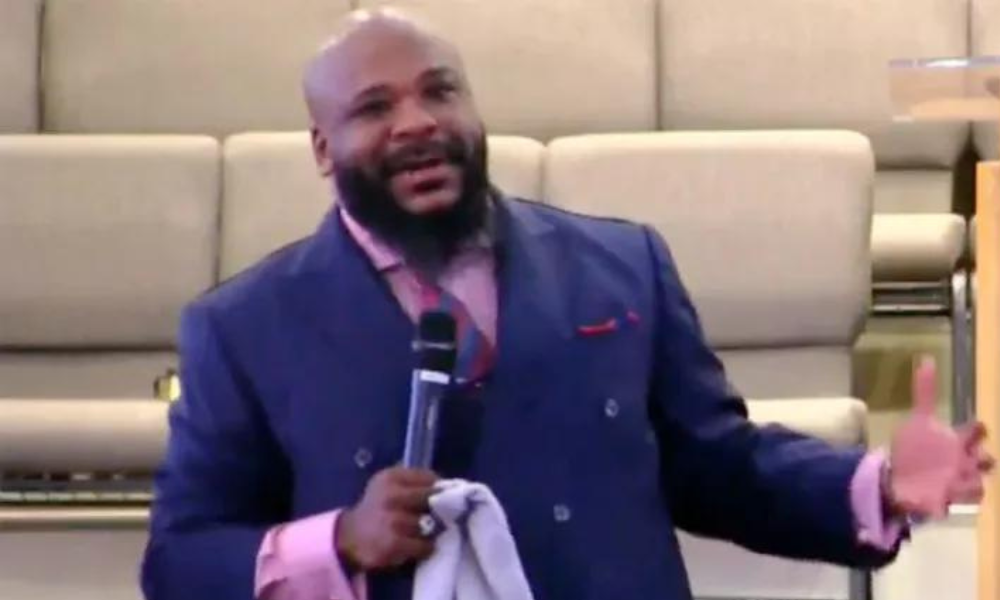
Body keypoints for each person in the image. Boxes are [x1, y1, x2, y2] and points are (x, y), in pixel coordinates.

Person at [140, 9, 994, 600]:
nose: (417, 122)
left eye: (440, 91)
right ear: (323, 149)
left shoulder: (621, 267)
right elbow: (181, 562)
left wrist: (878, 484)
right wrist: (337, 541)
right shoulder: (243, 328)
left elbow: (719, 467)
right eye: (374, 108)